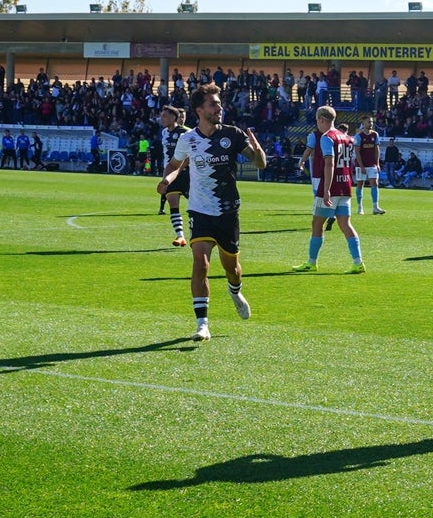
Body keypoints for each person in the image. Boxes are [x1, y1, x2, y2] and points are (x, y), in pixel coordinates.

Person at [156, 83, 266, 342]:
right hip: (199, 210)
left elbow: (259, 163)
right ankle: (202, 324)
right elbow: (175, 164)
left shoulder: (233, 134)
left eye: (219, 104)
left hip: (227, 211)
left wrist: (258, 149)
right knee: (201, 263)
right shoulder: (188, 139)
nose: (219, 108)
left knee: (232, 268)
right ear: (199, 110)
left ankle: (235, 290)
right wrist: (167, 180)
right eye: (213, 104)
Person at [292, 106, 366, 274]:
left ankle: (311, 262)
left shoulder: (327, 138)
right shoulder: (347, 137)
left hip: (331, 187)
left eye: (317, 120)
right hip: (346, 186)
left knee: (317, 223)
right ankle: (358, 261)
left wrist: (326, 190)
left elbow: (329, 163)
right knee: (345, 224)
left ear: (321, 120)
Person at [157, 105, 192, 246]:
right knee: (172, 201)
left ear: (174, 118)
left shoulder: (186, 133)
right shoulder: (165, 132)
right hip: (171, 173)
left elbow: (190, 155)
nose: (162, 118)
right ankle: (180, 236)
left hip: (188, 173)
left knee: (195, 206)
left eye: (165, 116)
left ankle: (198, 234)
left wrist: (178, 169)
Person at [354, 115, 385, 214]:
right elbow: (357, 152)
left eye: (371, 122)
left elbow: (377, 150)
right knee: (360, 184)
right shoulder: (359, 137)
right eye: (368, 122)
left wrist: (377, 163)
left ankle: (375, 207)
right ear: (363, 124)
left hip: (372, 164)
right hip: (361, 165)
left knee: (374, 183)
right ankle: (360, 207)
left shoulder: (375, 135)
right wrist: (361, 166)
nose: (371, 124)